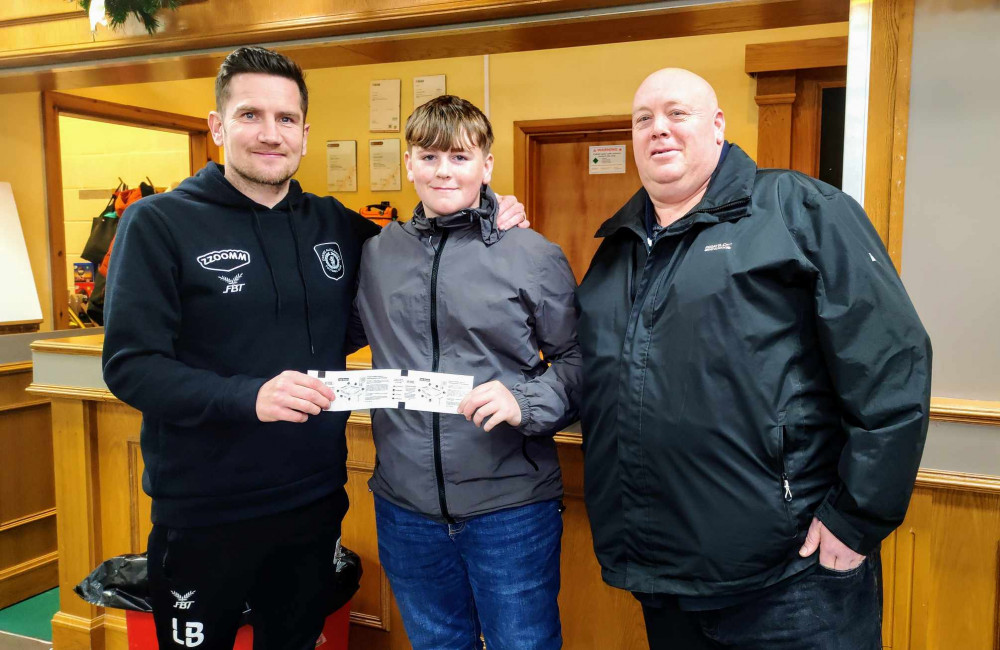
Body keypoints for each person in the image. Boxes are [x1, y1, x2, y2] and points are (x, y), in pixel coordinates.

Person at [102, 48, 525, 650]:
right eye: (250, 115)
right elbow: (130, 368)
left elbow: (421, 251)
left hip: (313, 502)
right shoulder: (157, 223)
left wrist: (492, 210)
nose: (269, 134)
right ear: (218, 126)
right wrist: (249, 397)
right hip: (204, 509)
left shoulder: (337, 225)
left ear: (304, 132)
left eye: (286, 118)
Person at [575, 68, 932, 649]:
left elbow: (891, 365)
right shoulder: (614, 252)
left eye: (676, 114)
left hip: (794, 580)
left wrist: (859, 517)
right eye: (643, 120)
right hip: (664, 577)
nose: (658, 129)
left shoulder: (799, 212)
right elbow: (586, 372)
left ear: (717, 126)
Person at [352, 95, 581, 650]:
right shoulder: (376, 254)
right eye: (429, 157)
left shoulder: (533, 254)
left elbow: (583, 362)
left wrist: (524, 400)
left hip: (510, 508)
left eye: (459, 156)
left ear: (487, 165)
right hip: (405, 509)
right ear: (408, 165)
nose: (443, 171)